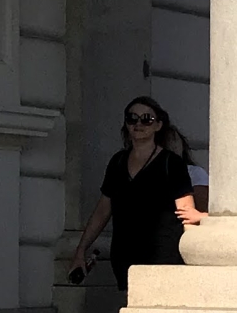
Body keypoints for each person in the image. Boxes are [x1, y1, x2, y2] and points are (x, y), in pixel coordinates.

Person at [68, 97, 204, 291]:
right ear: (126, 124)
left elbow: (186, 212)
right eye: (132, 118)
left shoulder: (171, 163)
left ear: (158, 125)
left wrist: (193, 260)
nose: (138, 124)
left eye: (146, 119)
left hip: (162, 257)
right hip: (125, 257)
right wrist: (80, 251)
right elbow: (102, 210)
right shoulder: (117, 162)